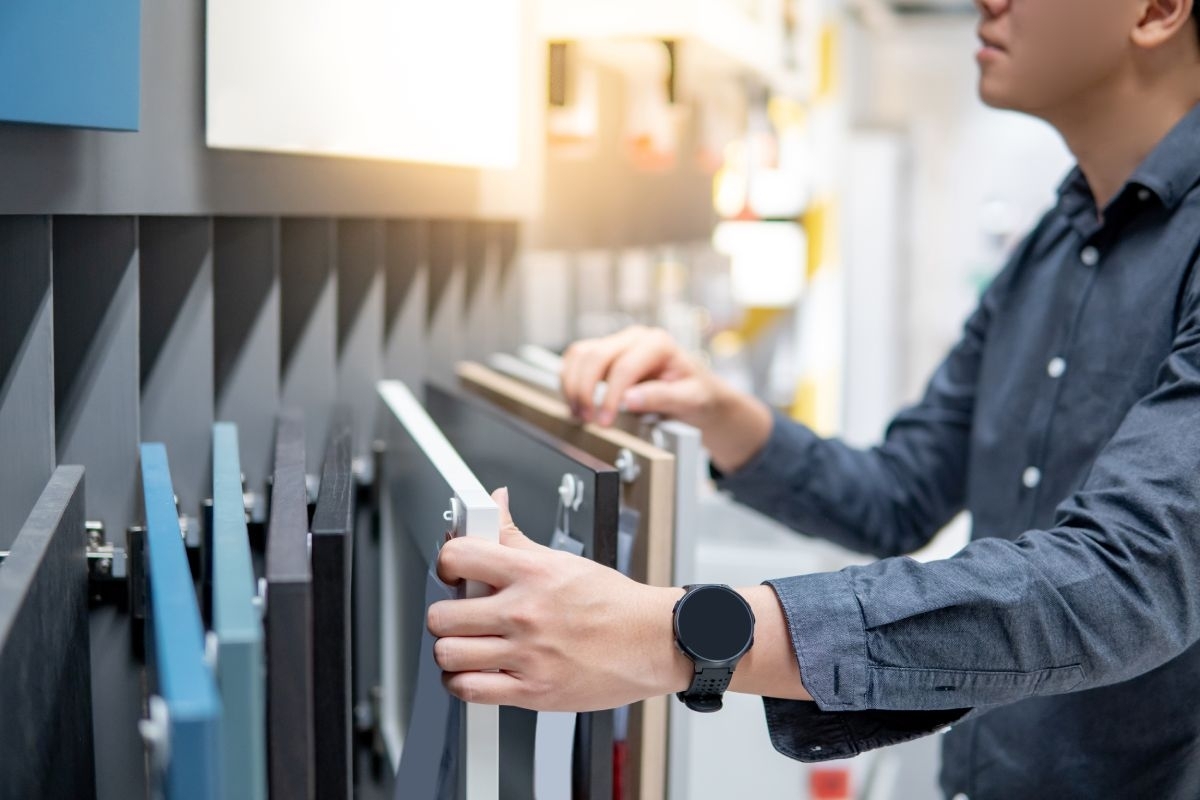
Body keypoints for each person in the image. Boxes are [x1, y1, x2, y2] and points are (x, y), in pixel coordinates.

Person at [427, 0, 1200, 796]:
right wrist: (721, 414)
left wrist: (673, 636)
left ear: (1157, 11)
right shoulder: (1052, 245)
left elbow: (1125, 580)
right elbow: (899, 494)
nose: (987, 2)